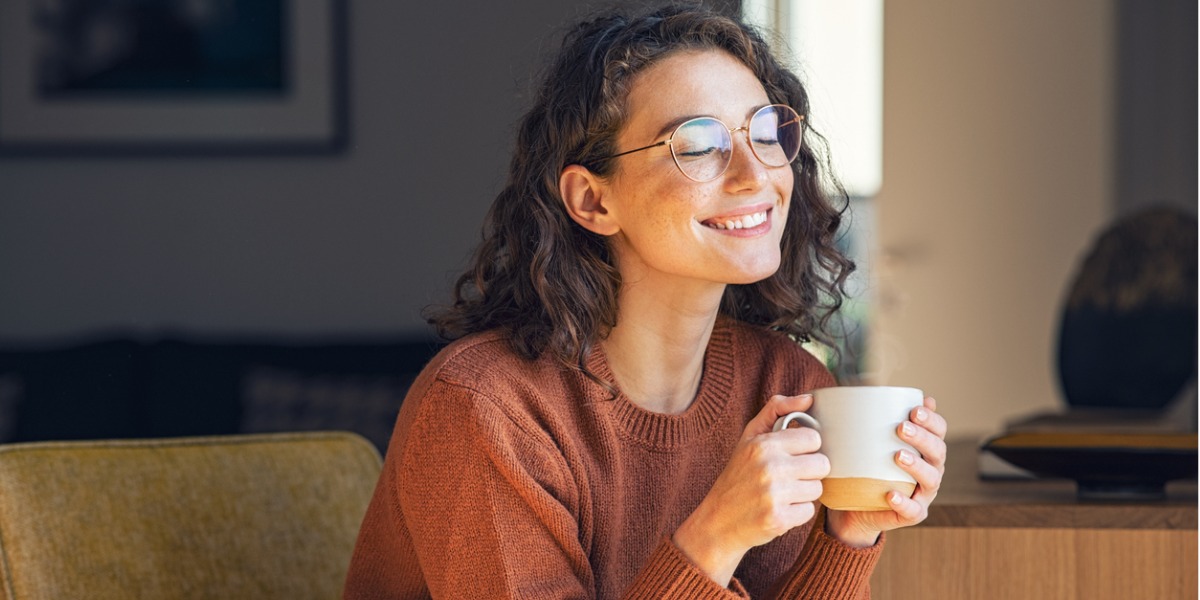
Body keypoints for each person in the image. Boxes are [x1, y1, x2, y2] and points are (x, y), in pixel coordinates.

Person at [344, 3, 947, 598]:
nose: (754, 175)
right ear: (592, 201)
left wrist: (848, 538)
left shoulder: (785, 383)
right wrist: (714, 537)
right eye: (698, 145)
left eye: (764, 132)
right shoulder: (488, 411)